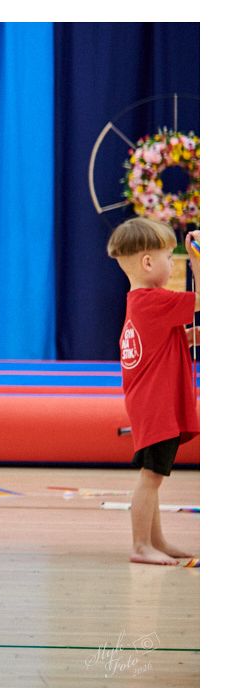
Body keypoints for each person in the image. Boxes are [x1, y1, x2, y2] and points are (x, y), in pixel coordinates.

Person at [106, 219, 199, 565]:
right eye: (169, 258)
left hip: (151, 406)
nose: (173, 265)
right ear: (148, 262)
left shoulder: (141, 302)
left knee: (153, 476)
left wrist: (187, 337)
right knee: (151, 478)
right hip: (156, 407)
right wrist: (198, 260)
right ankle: (141, 545)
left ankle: (155, 540)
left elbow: (159, 344)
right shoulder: (153, 299)